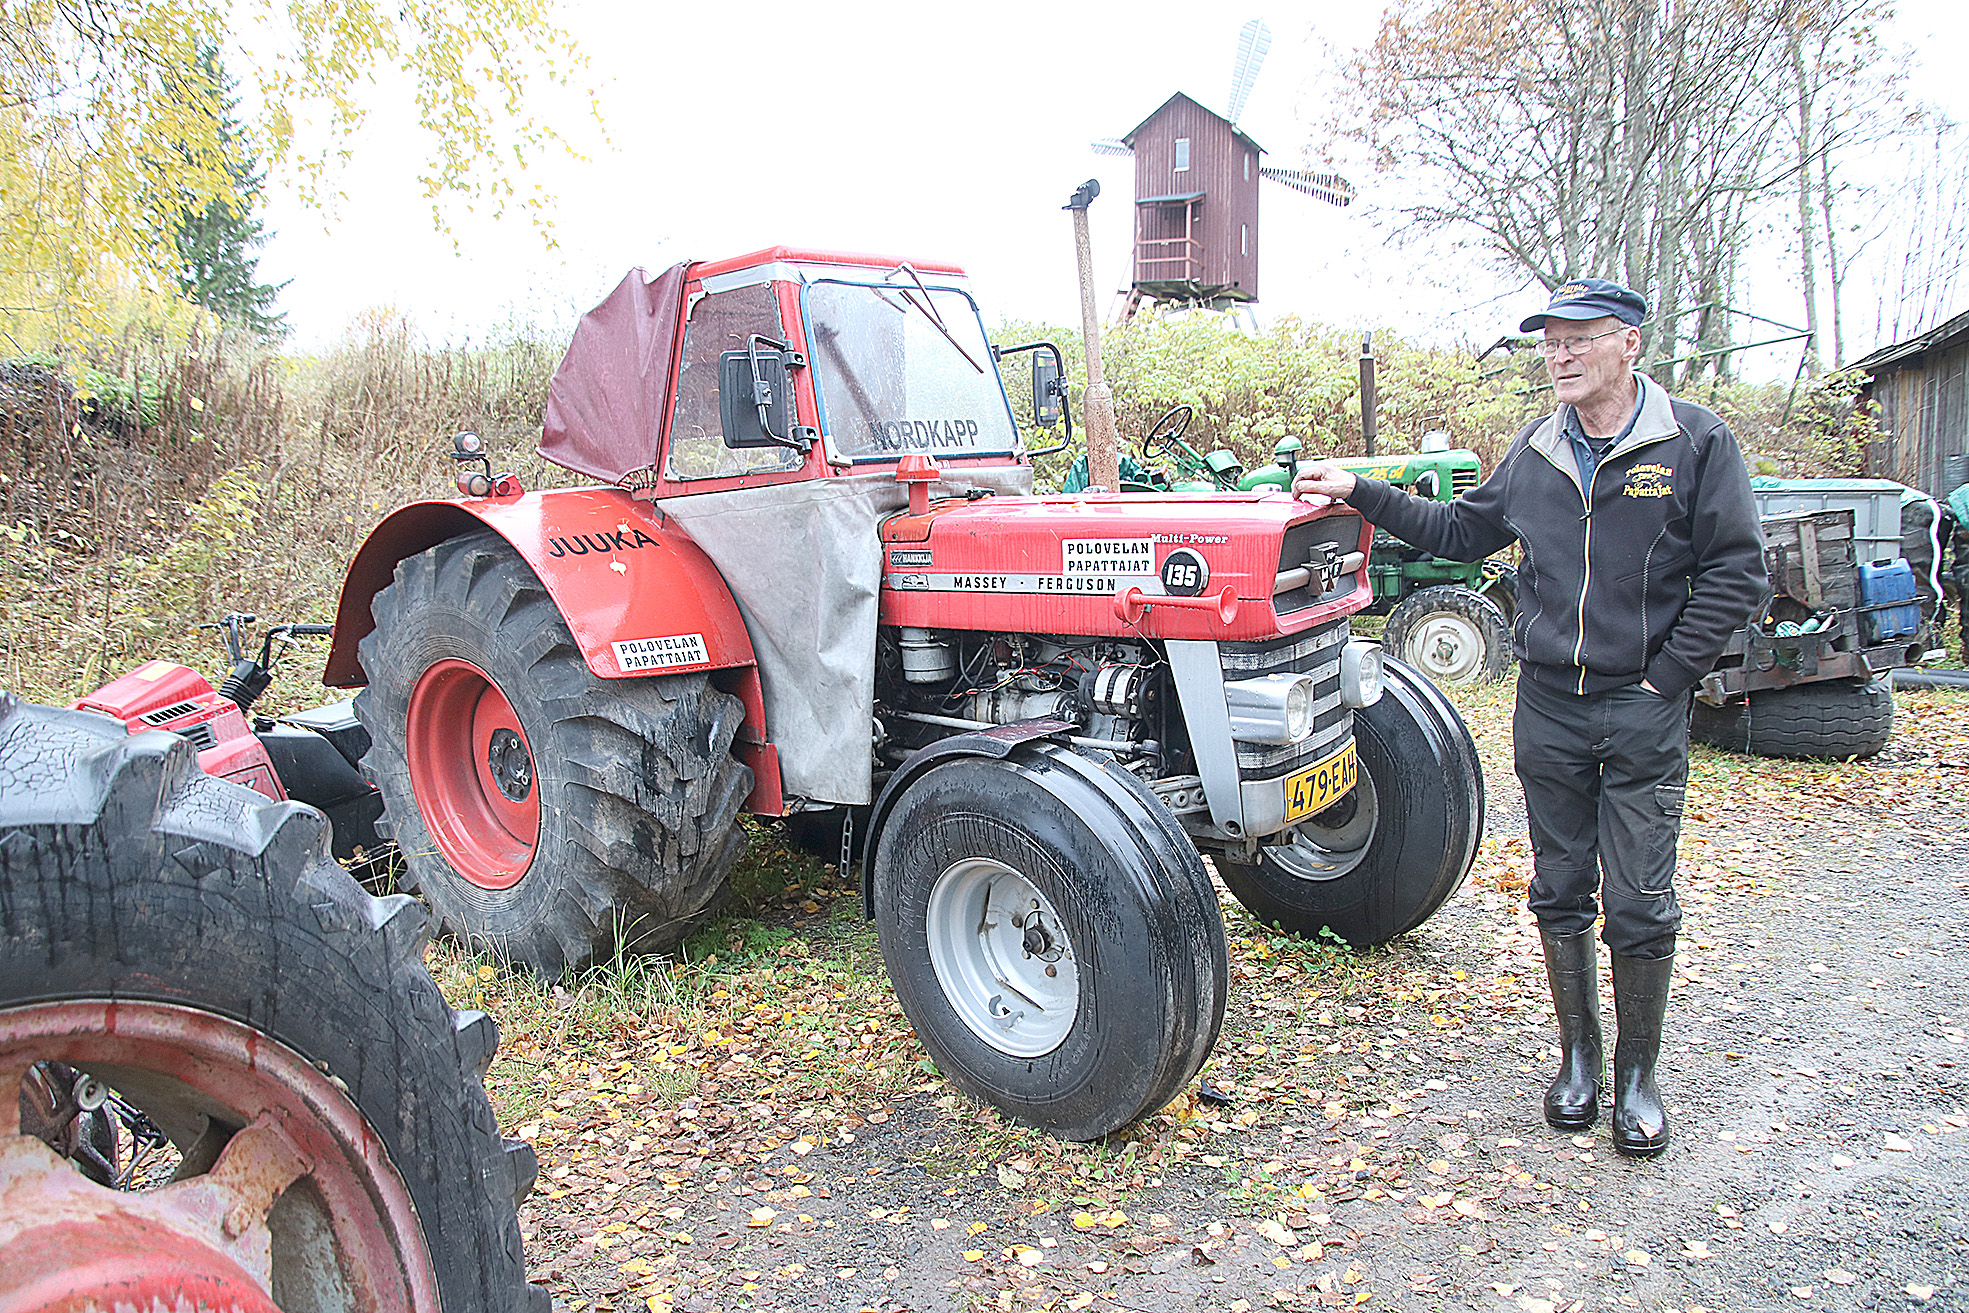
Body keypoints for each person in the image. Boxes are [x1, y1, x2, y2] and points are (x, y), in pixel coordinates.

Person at [1292, 278, 1767, 1156]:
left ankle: (1637, 1074)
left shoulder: (1694, 440)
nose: (1558, 354)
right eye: (1549, 341)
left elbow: (1738, 572)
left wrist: (1666, 677)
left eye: (1577, 338)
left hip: (1641, 704)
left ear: (1628, 342)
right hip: (1547, 702)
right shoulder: (1538, 449)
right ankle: (1578, 1059)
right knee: (1557, 885)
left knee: (1638, 896)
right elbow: (1459, 530)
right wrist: (1361, 488)